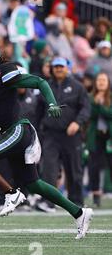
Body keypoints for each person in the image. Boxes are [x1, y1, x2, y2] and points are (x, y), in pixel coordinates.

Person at [0, 35, 93, 239]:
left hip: (18, 130)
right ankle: (80, 213)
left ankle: (11, 194)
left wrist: (52, 103)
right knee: (33, 183)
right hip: (7, 134)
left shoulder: (1, 72)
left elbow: (39, 82)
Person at [37, 57, 91, 207]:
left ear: (67, 68)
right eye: (56, 67)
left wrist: (77, 122)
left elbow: (86, 108)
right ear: (52, 69)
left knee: (74, 170)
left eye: (61, 66)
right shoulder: (46, 86)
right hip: (50, 135)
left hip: (71, 135)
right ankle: (48, 203)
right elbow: (38, 111)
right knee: (48, 169)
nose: (59, 69)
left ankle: (77, 202)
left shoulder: (77, 87)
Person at [87, 73, 112, 207]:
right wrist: (96, 104)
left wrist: (100, 105)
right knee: (94, 166)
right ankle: (96, 196)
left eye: (104, 80)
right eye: (99, 80)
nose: (101, 82)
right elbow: (89, 114)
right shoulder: (90, 97)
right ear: (95, 83)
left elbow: (109, 113)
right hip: (95, 136)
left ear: (108, 82)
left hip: (109, 136)